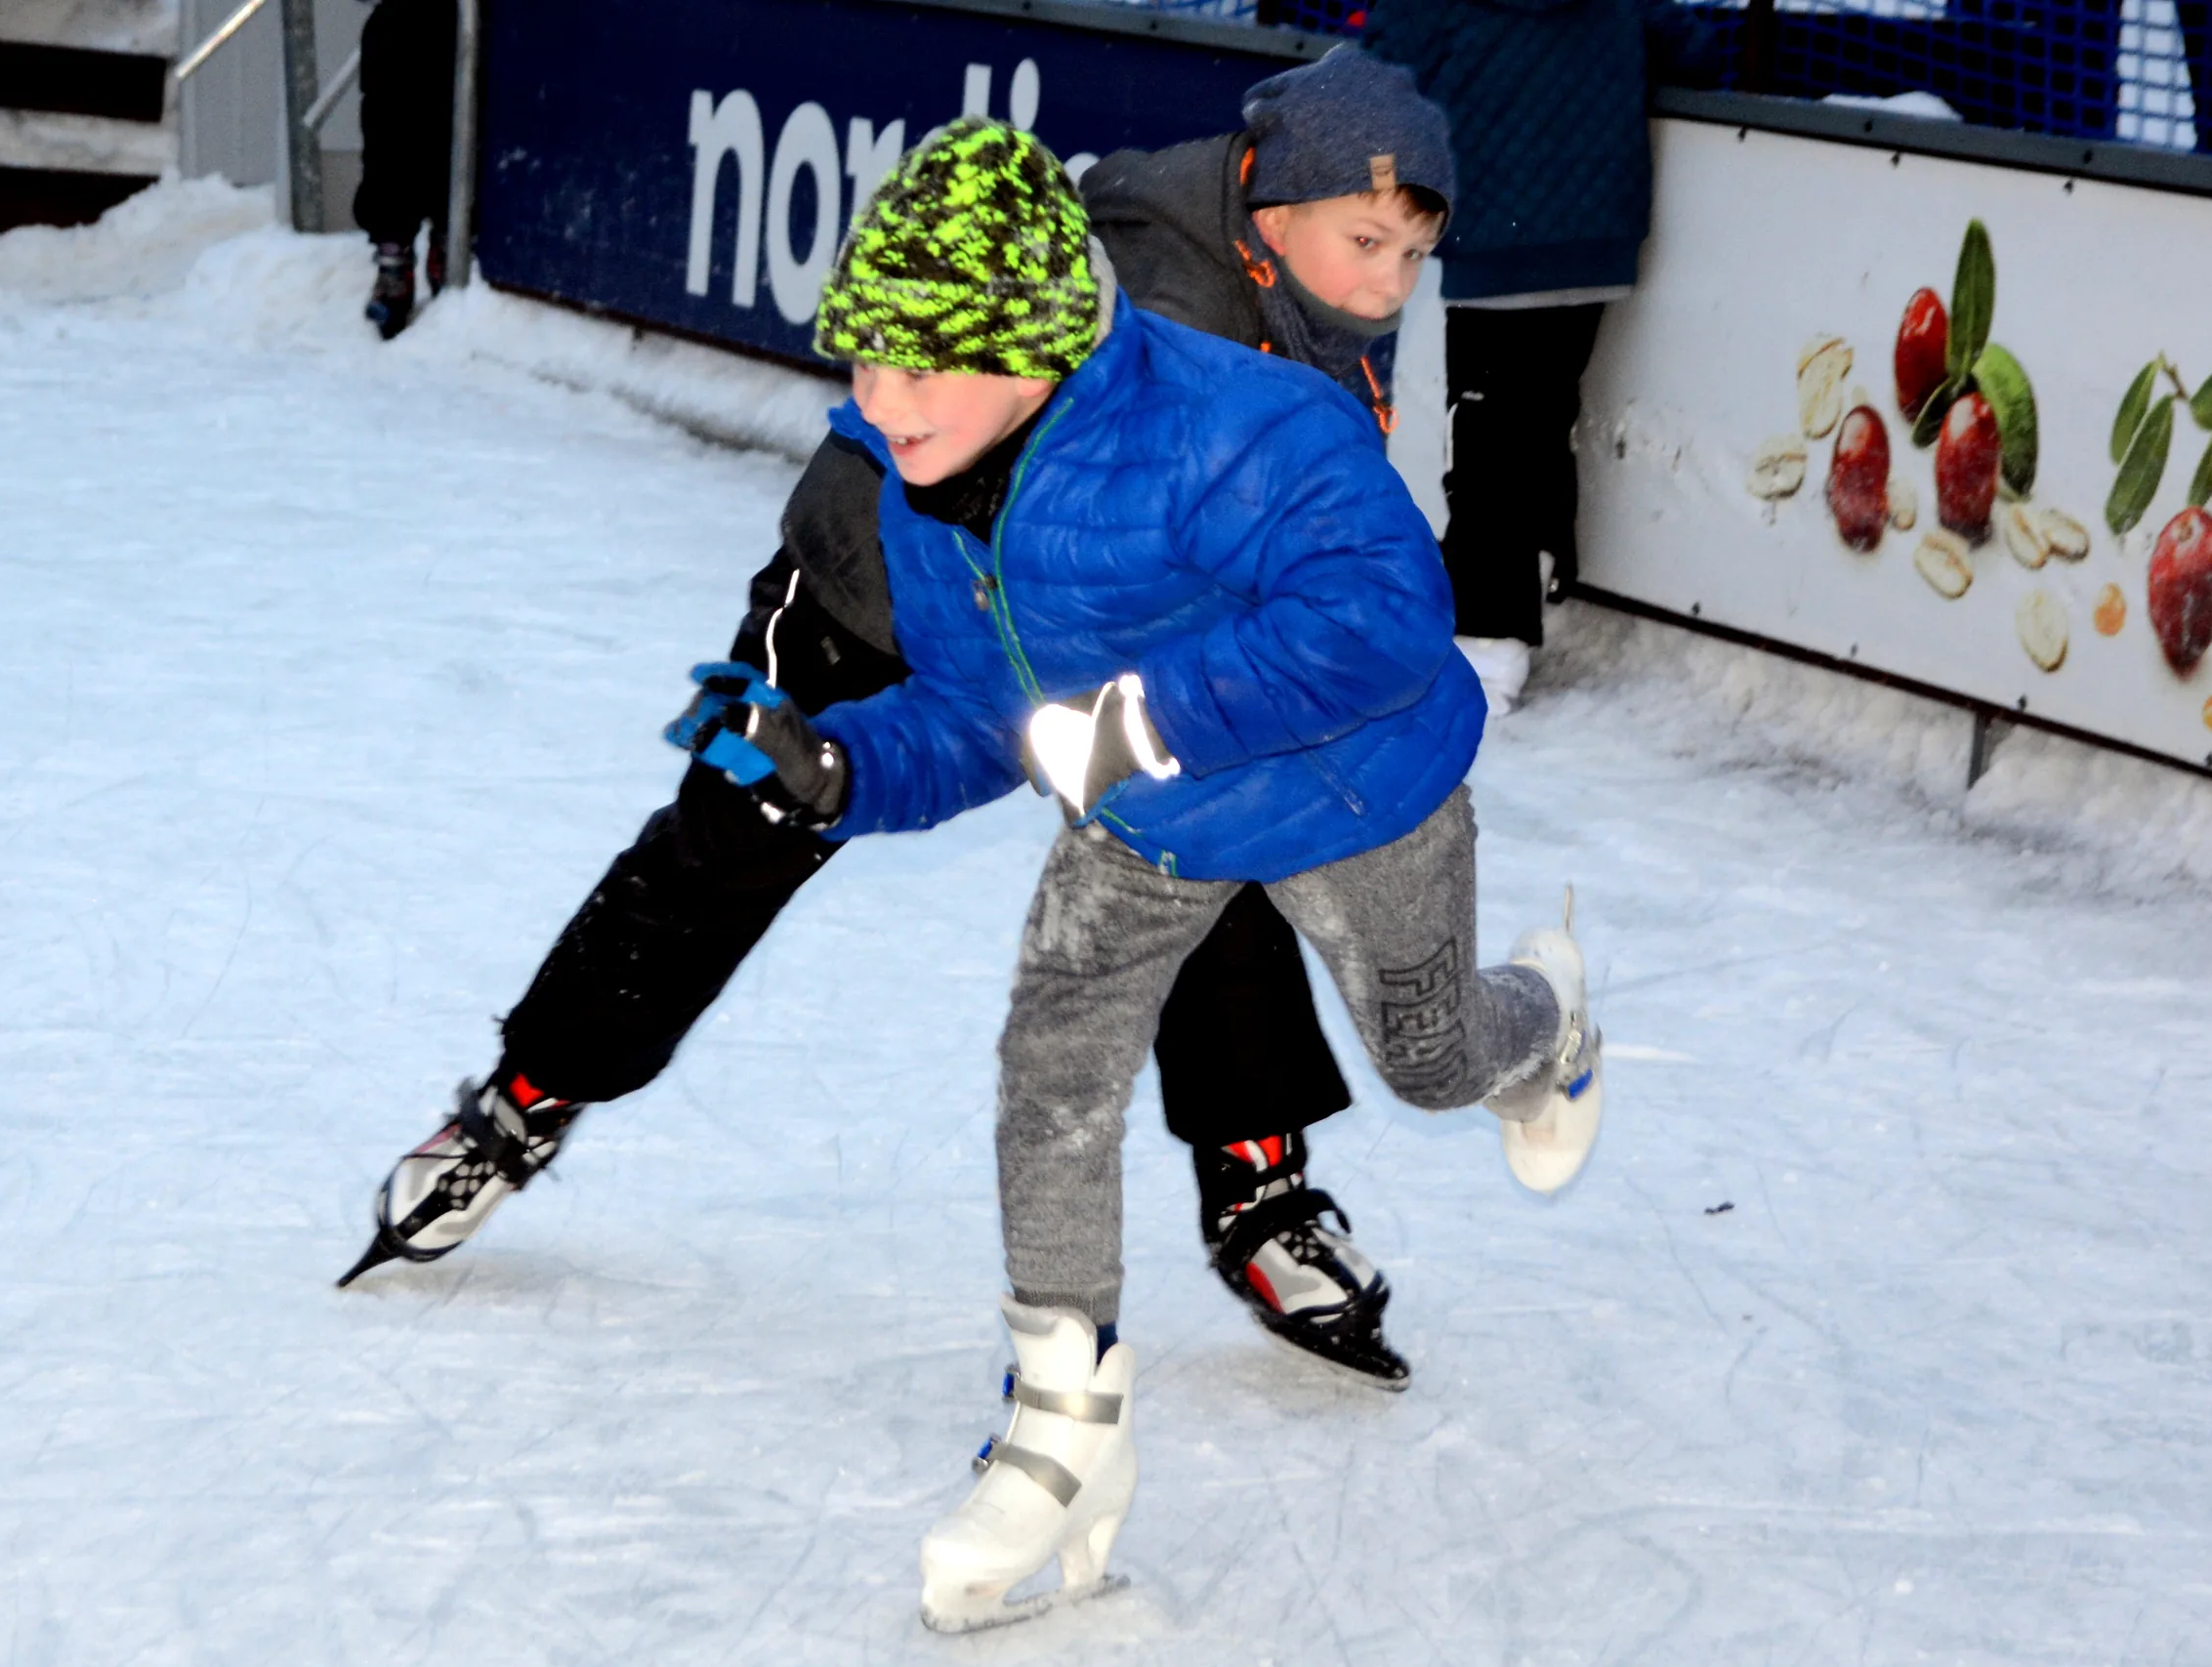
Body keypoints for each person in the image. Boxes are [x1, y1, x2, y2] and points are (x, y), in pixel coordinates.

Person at [341, 51, 1465, 1388]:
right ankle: (526, 1097)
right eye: (1365, 243)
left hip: (1077, 639)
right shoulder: (1157, 296)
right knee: (742, 822)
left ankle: (1260, 1185)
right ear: (1272, 208)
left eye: (1409, 254)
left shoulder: (1306, 302)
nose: (1388, 283)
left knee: (1203, 833)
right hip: (872, 591)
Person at [683, 116, 1605, 1631]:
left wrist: (1143, 719)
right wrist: (843, 767)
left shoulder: (1242, 425)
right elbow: (989, 716)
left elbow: (1384, 621)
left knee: (1431, 1061)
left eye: (921, 364)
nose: (879, 401)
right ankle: (1064, 1434)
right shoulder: (921, 480)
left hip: (1351, 794)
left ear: (1036, 347)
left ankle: (1549, 1028)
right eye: (864, 357)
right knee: (1048, 1069)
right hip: (1150, 821)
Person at [1365, 0, 1658, 713]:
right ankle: (1538, 567)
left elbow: (1382, 70)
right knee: (1540, 414)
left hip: (1500, 243)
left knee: (1488, 441)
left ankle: (1491, 644)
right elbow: (1692, 45)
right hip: (1598, 243)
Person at [352, 0, 456, 340]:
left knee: (460, 127)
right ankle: (393, 256)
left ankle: (450, 239)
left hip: (467, 21)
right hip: (400, 23)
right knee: (388, 134)